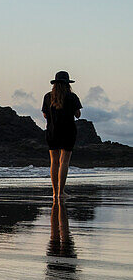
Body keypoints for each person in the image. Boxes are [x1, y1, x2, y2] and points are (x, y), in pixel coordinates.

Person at [41, 70, 81, 200]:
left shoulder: (48, 96)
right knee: (64, 162)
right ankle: (61, 192)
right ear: (67, 84)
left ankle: (54, 192)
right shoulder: (72, 97)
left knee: (54, 162)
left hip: (52, 132)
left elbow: (45, 115)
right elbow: (78, 114)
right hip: (68, 132)